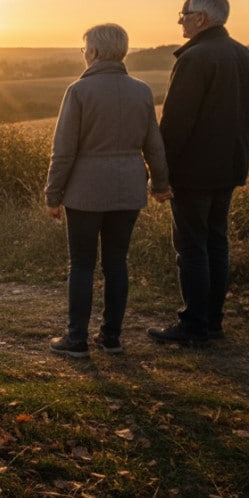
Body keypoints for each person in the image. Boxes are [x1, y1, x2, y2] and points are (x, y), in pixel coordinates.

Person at [45, 23, 172, 358]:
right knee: (117, 262)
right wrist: (160, 185)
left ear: (95, 53)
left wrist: (52, 195)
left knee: (82, 264)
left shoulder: (78, 91)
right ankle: (112, 338)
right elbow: (154, 146)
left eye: (85, 48)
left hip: (85, 191)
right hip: (128, 188)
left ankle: (76, 339)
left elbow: (64, 150)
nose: (84, 54)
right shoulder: (142, 91)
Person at [148, 0, 249, 347]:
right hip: (229, 167)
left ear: (202, 19)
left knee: (192, 246)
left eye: (184, 13)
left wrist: (160, 174)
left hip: (194, 171)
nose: (180, 19)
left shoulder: (196, 58)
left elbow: (177, 123)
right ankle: (212, 322)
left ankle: (194, 327)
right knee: (216, 242)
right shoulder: (246, 56)